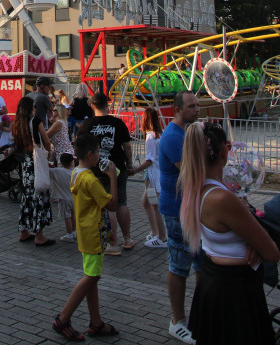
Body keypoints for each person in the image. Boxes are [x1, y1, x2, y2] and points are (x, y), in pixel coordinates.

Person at [179, 121, 279, 345]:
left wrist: (251, 240)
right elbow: (272, 252)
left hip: (213, 280)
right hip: (235, 291)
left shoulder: (196, 189)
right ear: (225, 151)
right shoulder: (223, 199)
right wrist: (257, 243)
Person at [52, 133, 119, 341]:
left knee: (92, 277)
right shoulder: (90, 180)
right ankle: (63, 319)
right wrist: (112, 177)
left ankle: (96, 322)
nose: (100, 156)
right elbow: (112, 204)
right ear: (90, 154)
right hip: (94, 234)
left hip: (84, 231)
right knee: (91, 277)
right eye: (98, 152)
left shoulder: (76, 173)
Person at [158, 90, 202, 344]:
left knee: (199, 263)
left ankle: (198, 315)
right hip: (176, 211)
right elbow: (191, 171)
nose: (197, 109)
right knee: (179, 265)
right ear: (177, 109)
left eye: (197, 105)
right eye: (191, 106)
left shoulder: (186, 132)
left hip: (190, 208)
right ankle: (177, 320)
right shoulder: (174, 137)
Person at [78, 92, 134, 255]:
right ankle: (127, 238)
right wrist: (129, 164)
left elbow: (80, 146)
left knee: (107, 205)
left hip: (98, 170)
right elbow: (127, 146)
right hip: (117, 167)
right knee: (121, 203)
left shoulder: (87, 125)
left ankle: (113, 243)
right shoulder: (118, 123)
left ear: (92, 106)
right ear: (106, 105)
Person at [13, 95, 54, 247]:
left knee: (27, 197)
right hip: (37, 163)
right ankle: (39, 234)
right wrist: (48, 152)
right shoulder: (35, 121)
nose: (35, 109)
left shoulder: (17, 124)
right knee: (40, 196)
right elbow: (46, 141)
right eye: (34, 107)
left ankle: (24, 231)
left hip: (26, 164)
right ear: (30, 108)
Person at [129, 106, 167, 247]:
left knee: (154, 204)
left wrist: (135, 170)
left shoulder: (151, 137)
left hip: (154, 174)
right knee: (146, 201)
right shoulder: (161, 134)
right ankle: (155, 232)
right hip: (158, 173)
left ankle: (162, 237)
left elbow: (150, 160)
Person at [50, 152, 76, 243]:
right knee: (73, 214)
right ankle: (74, 232)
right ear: (72, 162)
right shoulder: (75, 172)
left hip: (64, 199)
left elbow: (48, 170)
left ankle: (69, 235)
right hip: (74, 198)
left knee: (67, 217)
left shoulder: (57, 171)